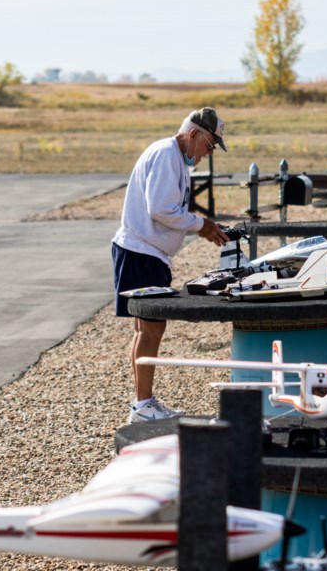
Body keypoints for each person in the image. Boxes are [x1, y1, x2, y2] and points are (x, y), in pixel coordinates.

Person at [112, 107, 230, 423]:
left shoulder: (173, 157)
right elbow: (161, 209)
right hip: (141, 252)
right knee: (150, 327)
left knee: (146, 328)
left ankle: (144, 403)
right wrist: (199, 224)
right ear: (194, 135)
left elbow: (165, 210)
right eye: (208, 146)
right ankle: (142, 405)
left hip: (146, 252)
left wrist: (200, 226)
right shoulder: (167, 154)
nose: (206, 154)